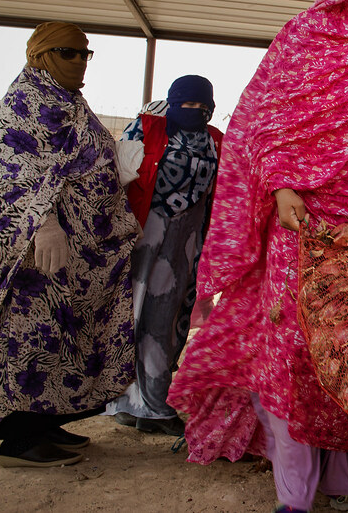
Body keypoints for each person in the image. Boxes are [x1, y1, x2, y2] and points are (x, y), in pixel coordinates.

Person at [168, 0, 348, 513]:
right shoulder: (308, 35)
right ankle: (295, 493)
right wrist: (281, 185)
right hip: (303, 219)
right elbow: (264, 118)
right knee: (293, 346)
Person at [0, 22, 139, 467]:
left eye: (84, 54)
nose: (79, 62)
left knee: (64, 340)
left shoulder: (67, 99)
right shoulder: (26, 100)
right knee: (31, 337)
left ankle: (44, 422)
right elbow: (8, 169)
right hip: (40, 254)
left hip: (82, 253)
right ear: (41, 54)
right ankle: (19, 440)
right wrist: (44, 224)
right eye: (68, 52)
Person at [105, 75, 222, 435]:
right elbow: (114, 178)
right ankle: (144, 403)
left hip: (186, 245)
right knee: (135, 318)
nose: (196, 111)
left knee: (169, 321)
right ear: (172, 102)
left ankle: (142, 401)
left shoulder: (216, 141)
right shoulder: (146, 130)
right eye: (188, 104)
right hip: (145, 239)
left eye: (204, 106)